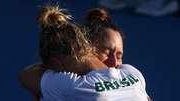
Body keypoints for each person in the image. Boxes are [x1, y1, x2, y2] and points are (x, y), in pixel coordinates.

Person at [19, 6, 151, 101]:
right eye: (107, 51)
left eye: (118, 55)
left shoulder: (73, 86)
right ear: (89, 47)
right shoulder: (133, 73)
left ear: (57, 63)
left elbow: (25, 76)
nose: (114, 62)